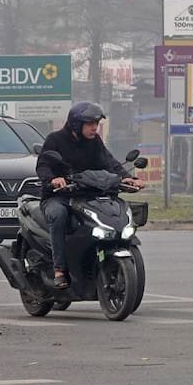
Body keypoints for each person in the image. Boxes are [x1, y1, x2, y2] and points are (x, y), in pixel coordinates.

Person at [37, 102, 136, 288]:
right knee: (59, 215)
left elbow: (109, 162)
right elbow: (43, 165)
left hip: (86, 196)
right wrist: (53, 179)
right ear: (76, 124)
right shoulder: (55, 140)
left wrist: (127, 178)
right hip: (59, 196)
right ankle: (59, 269)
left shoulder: (94, 142)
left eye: (96, 123)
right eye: (90, 123)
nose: (94, 128)